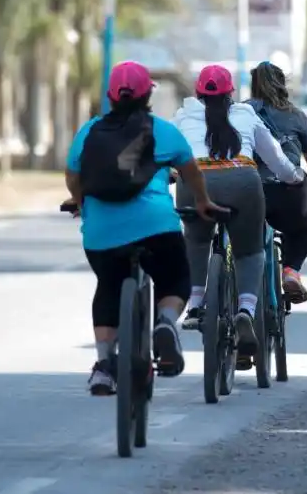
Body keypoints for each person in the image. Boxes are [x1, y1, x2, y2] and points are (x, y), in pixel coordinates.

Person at [65, 60, 226, 396]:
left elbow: (72, 175)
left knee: (108, 285)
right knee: (176, 278)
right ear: (146, 96)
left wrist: (80, 202)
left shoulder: (88, 131)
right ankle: (165, 323)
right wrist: (201, 201)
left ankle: (104, 366)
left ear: (110, 95)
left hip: (100, 235)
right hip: (155, 229)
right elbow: (191, 170)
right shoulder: (161, 130)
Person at [172, 64, 306, 351]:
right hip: (242, 184)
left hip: (194, 184)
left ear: (197, 93)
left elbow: (168, 155)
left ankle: (195, 304)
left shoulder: (183, 117)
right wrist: (294, 178)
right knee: (249, 251)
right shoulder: (246, 115)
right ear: (231, 93)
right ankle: (245, 309)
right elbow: (276, 159)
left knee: (195, 240)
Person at [245, 60, 307, 302]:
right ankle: (291, 270)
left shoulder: (239, 112)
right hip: (288, 192)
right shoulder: (297, 117)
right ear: (283, 85)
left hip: (247, 190)